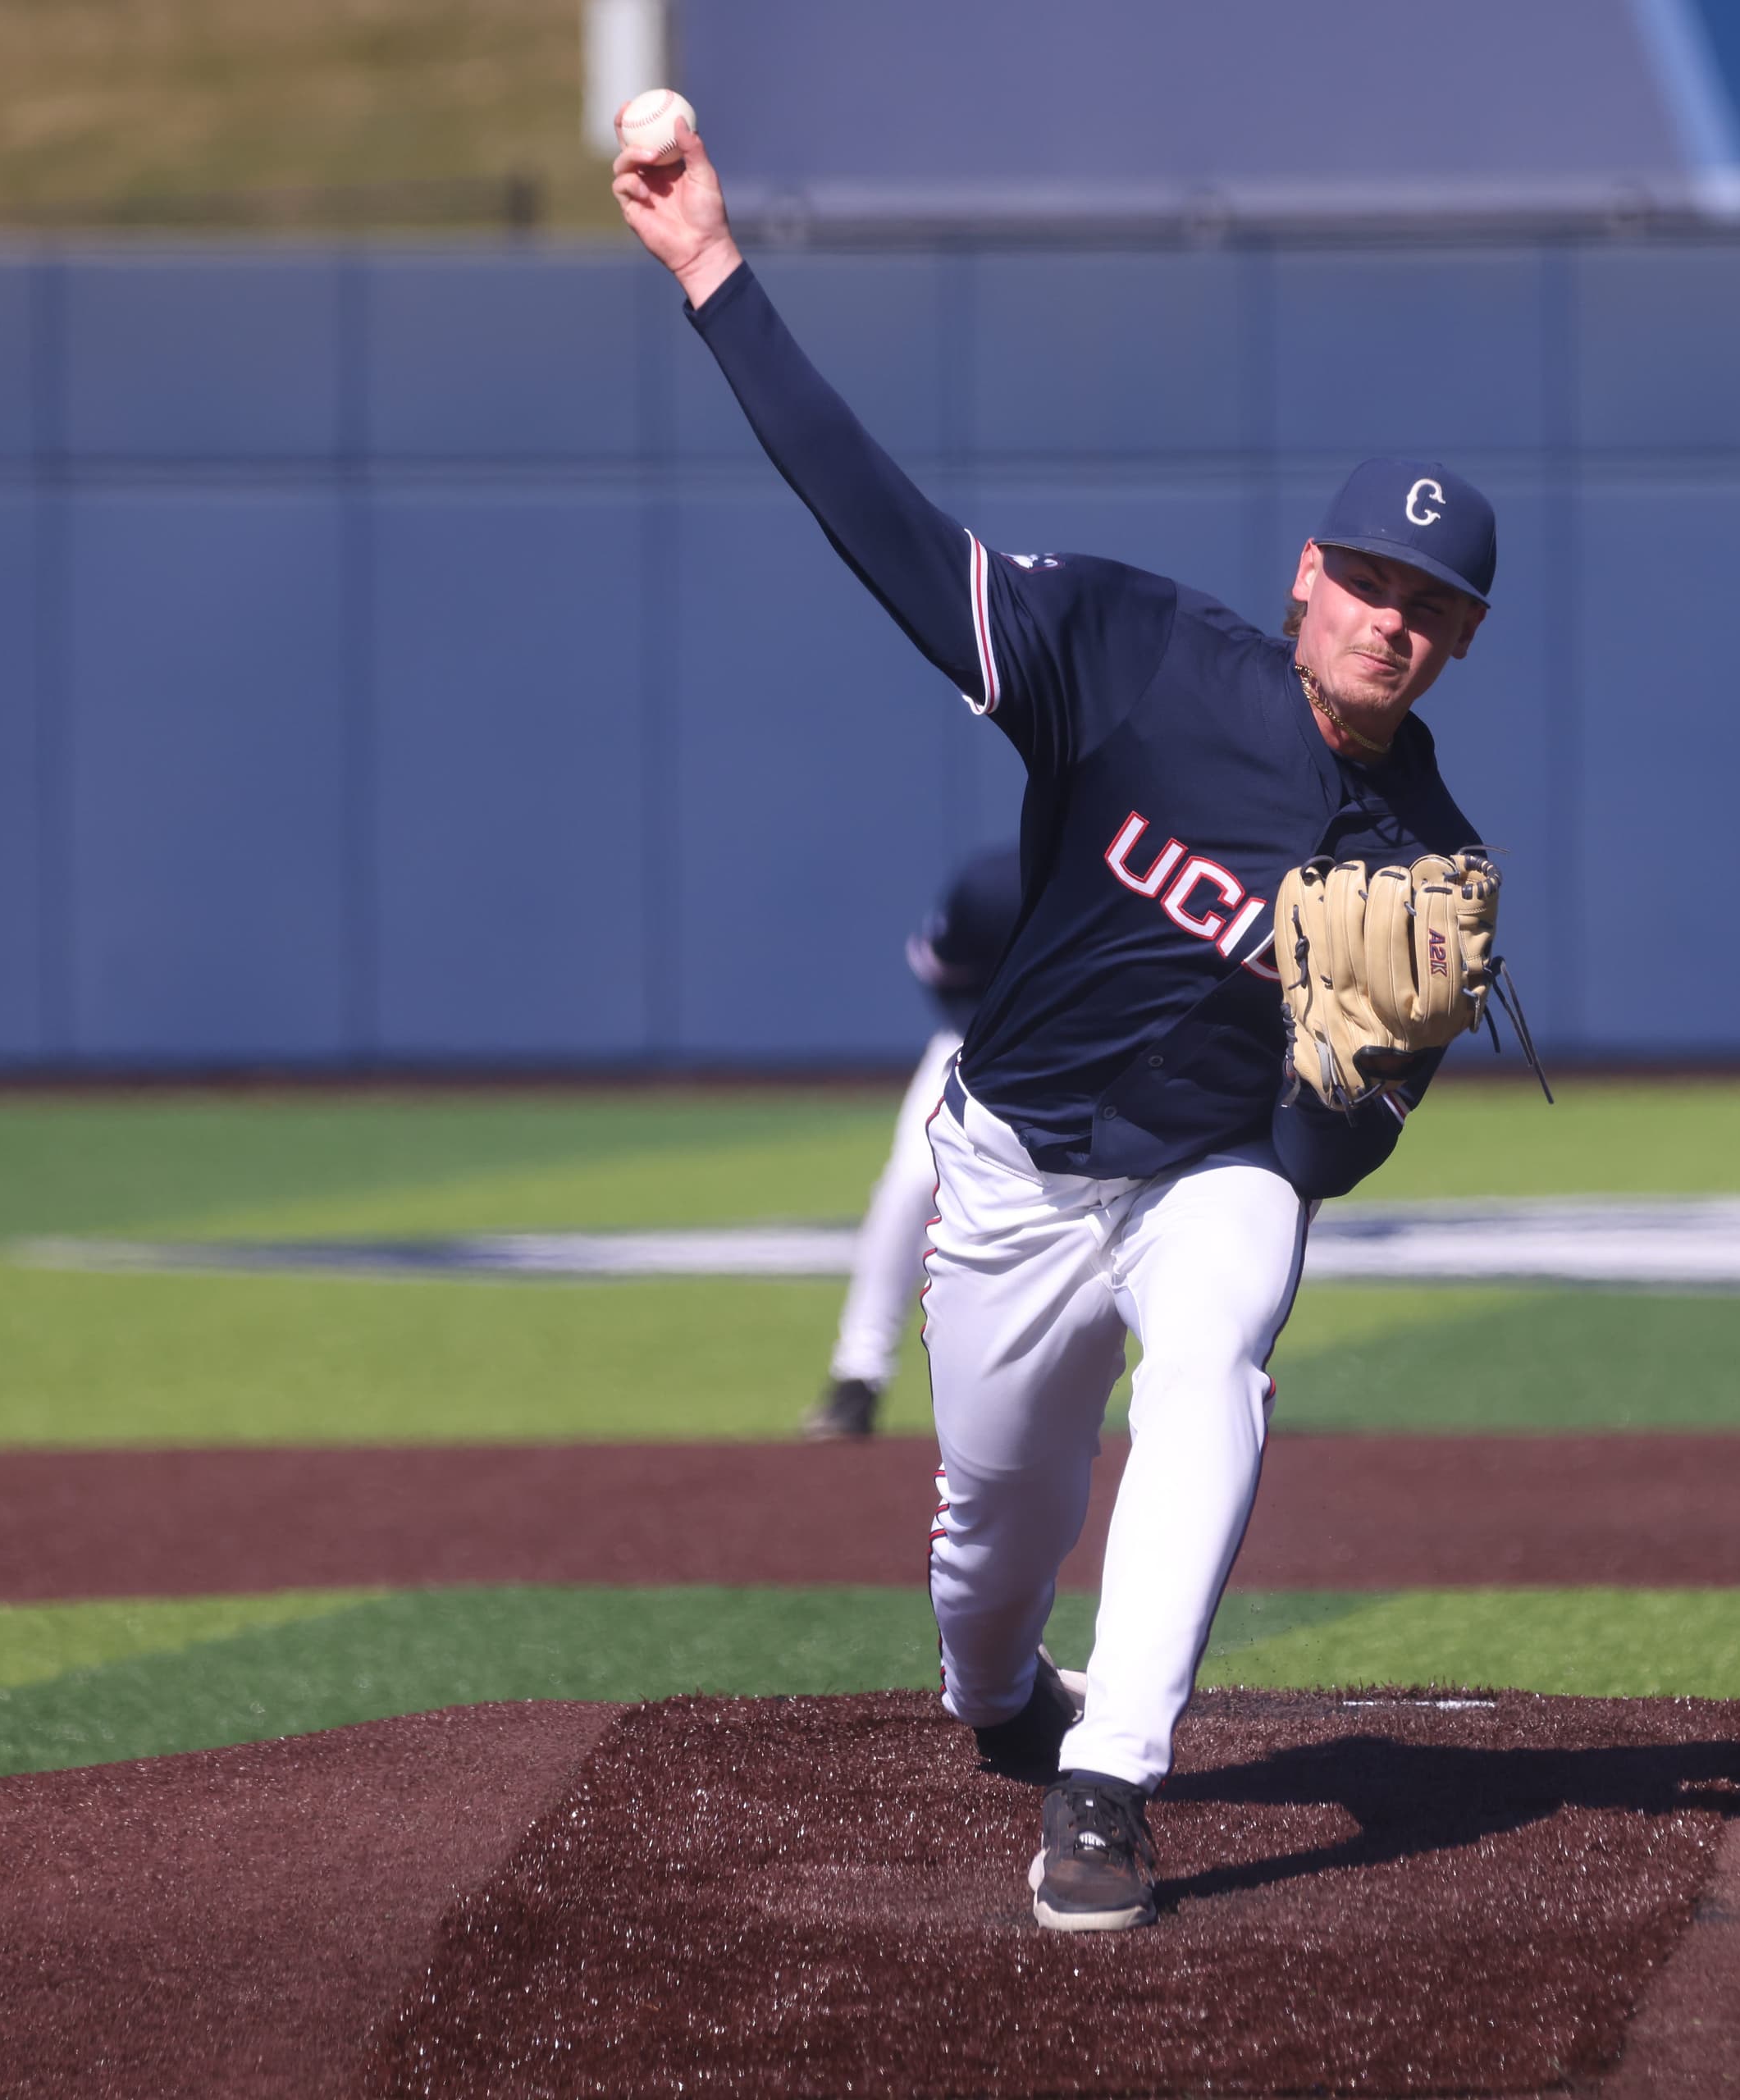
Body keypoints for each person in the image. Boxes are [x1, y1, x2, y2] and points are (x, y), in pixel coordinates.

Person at [616, 125, 1500, 1933]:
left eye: (1436, 609)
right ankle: (1012, 1697)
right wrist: (714, 272)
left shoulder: (1435, 869)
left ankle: (1111, 1781)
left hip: (1211, 1175)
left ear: (1459, 646)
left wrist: (1349, 1088)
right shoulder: (1125, 646)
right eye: (1373, 583)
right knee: (985, 1555)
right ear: (1308, 576)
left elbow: (1334, 1152)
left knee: (1221, 1353)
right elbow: (885, 527)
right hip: (1014, 1170)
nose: (1393, 624)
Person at [806, 842, 1024, 1441]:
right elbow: (942, 972)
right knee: (909, 1186)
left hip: (1109, 1055)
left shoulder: (1133, 873)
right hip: (978, 1044)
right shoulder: (992, 886)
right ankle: (858, 1374)